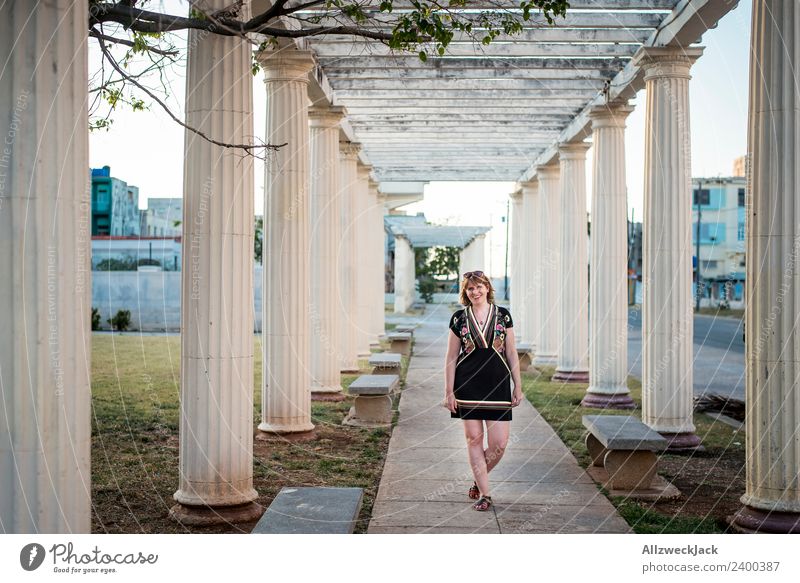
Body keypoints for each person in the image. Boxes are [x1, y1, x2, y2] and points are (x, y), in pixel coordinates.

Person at [444, 270, 523, 511]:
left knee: (499, 444)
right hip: (467, 384)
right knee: (474, 440)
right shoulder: (459, 318)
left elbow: (511, 352)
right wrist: (449, 391)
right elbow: (450, 357)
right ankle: (485, 494)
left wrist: (518, 385)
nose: (475, 291)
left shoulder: (503, 316)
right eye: (470, 288)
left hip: (498, 384)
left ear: (487, 288)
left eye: (479, 287)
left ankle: (478, 479)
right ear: (465, 293)